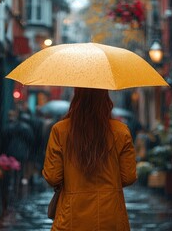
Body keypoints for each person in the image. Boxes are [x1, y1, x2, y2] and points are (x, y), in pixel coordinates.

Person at [42, 88, 137, 230]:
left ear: (76, 99)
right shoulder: (121, 131)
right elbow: (128, 176)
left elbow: (53, 177)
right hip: (110, 216)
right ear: (106, 100)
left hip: (71, 216)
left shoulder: (60, 130)